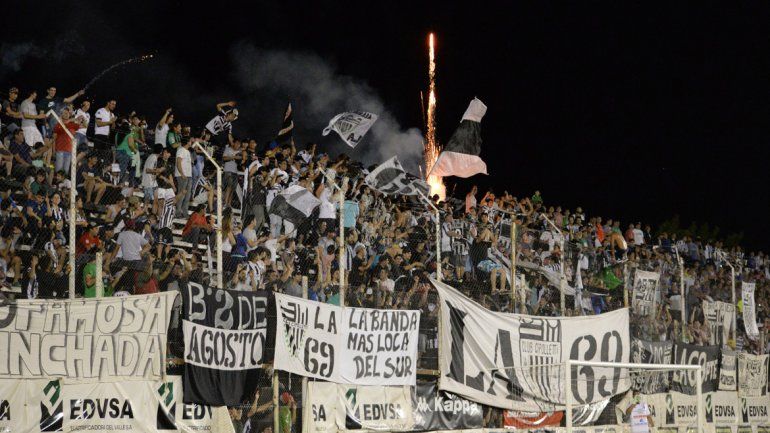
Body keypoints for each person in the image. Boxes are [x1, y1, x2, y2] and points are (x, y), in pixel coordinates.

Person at [52, 107, 81, 174]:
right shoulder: (58, 125)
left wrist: (82, 118)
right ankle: (57, 184)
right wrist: (53, 150)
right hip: (60, 150)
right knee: (59, 171)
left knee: (66, 171)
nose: (66, 114)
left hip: (69, 151)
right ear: (61, 115)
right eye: (64, 113)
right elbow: (54, 138)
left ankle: (63, 184)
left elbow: (84, 125)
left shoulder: (72, 125)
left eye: (67, 113)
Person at [174, 137, 193, 215]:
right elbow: (178, 162)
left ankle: (185, 212)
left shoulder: (187, 151)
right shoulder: (181, 150)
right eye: (190, 141)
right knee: (181, 194)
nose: (191, 142)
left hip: (188, 176)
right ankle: (178, 212)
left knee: (187, 195)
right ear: (187, 142)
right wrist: (182, 174)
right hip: (182, 176)